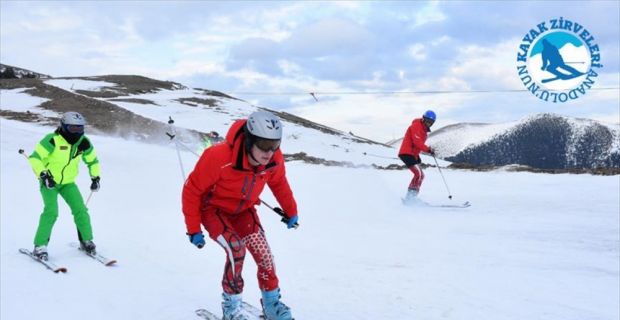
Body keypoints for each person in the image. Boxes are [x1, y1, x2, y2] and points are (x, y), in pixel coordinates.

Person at [182, 111, 299, 320]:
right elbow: (192, 190)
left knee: (264, 256)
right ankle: (231, 308)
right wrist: (193, 228)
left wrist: (291, 211)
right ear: (249, 140)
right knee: (236, 249)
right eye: (263, 144)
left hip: (244, 211)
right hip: (214, 211)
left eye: (275, 145)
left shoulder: (274, 159)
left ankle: (271, 303)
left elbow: (279, 183)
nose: (269, 152)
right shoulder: (218, 157)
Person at [28, 111, 101, 260]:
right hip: (50, 183)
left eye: (80, 129)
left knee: (81, 210)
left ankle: (86, 240)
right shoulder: (52, 140)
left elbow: (92, 161)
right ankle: (39, 246)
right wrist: (44, 174)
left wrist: (95, 177)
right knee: (51, 212)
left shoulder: (83, 142)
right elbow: (35, 158)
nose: (77, 132)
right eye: (73, 128)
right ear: (64, 127)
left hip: (68, 183)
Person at [398, 110, 436, 202]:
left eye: (431, 122)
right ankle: (410, 198)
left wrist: (417, 156)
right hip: (406, 153)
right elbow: (417, 142)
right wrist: (428, 149)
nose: (429, 124)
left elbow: (417, 145)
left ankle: (413, 197)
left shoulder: (424, 131)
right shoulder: (416, 126)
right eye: (427, 121)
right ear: (423, 119)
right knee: (418, 174)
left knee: (421, 175)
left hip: (412, 154)